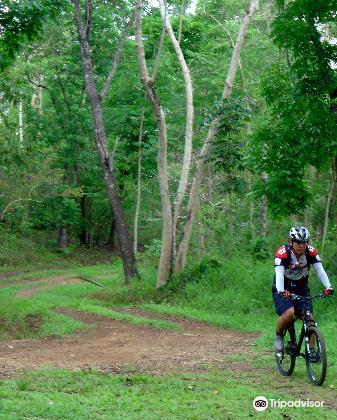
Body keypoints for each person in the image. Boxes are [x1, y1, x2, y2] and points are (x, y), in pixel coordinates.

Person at [272, 226, 334, 354]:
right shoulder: (283, 253)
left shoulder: (310, 252)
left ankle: (312, 351)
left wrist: (328, 287)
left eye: (304, 242)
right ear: (292, 242)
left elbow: (320, 270)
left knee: (309, 318)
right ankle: (279, 336)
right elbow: (279, 274)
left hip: (301, 288)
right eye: (298, 242)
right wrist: (281, 291)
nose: (301, 245)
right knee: (289, 313)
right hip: (284, 286)